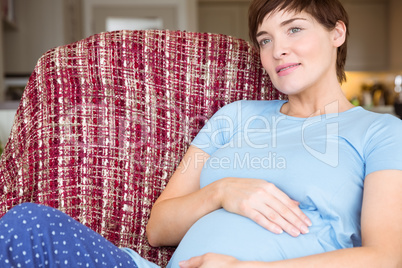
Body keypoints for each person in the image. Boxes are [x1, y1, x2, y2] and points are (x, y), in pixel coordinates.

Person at [0, 0, 401, 267]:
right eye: (265, 39)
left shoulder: (381, 132)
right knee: (25, 225)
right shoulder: (234, 117)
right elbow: (158, 227)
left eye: (294, 29)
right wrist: (223, 191)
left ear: (337, 33)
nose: (278, 49)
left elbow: (387, 255)